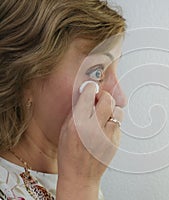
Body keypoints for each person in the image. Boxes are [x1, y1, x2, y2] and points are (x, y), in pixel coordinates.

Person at [0, 0, 127, 199]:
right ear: (24, 78)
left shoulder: (73, 171)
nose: (120, 98)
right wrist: (80, 185)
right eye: (96, 72)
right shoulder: (79, 179)